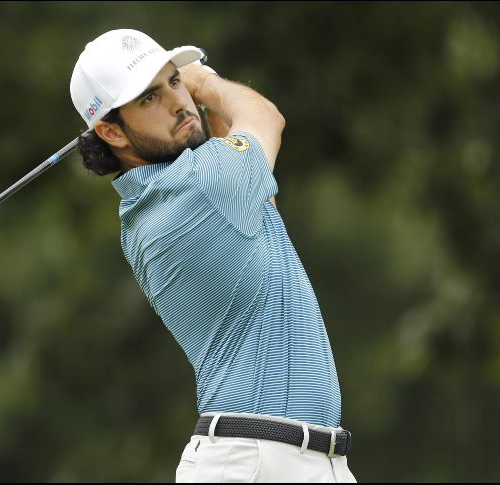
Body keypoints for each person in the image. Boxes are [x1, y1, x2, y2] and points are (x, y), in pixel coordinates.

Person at [70, 29, 356, 483]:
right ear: (109, 131)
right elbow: (266, 117)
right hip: (259, 460)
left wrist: (194, 105)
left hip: (284, 459)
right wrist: (204, 83)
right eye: (148, 99)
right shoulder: (201, 186)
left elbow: (263, 207)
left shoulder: (155, 203)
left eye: (174, 82)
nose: (177, 102)